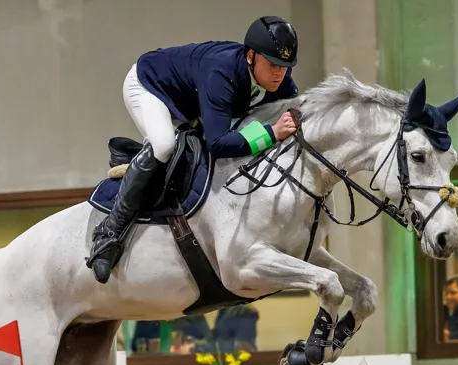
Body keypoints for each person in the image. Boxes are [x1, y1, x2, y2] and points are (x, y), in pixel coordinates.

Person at [86, 16, 302, 284]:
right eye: (272, 65)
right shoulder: (221, 74)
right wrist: (271, 133)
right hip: (150, 86)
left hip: (194, 102)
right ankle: (109, 232)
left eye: (285, 66)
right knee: (165, 145)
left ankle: (137, 160)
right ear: (250, 56)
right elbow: (219, 144)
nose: (279, 74)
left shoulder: (279, 79)